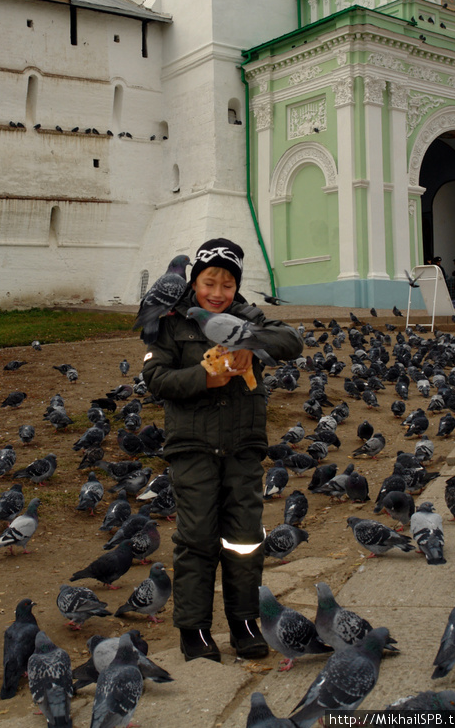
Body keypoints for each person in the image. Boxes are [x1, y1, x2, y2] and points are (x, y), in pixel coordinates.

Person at [141, 238, 303, 663]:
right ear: (194, 282)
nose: (217, 293)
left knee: (245, 539)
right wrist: (203, 377)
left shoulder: (247, 315)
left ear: (237, 288)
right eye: (209, 282)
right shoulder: (171, 323)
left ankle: (246, 622)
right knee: (196, 540)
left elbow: (291, 342)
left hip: (242, 448)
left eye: (227, 285)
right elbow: (156, 378)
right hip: (192, 447)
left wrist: (249, 343)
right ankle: (193, 631)